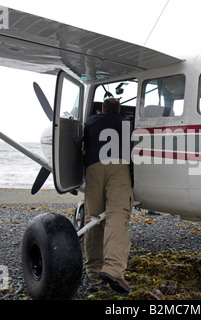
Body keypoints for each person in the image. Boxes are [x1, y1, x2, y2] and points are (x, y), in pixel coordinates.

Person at [83, 98, 133, 293]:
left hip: (94, 167)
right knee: (117, 215)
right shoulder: (126, 123)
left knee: (93, 217)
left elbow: (83, 143)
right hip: (119, 166)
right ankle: (112, 268)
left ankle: (93, 269)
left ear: (102, 109)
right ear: (119, 110)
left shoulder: (91, 121)